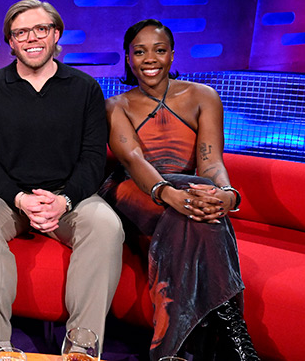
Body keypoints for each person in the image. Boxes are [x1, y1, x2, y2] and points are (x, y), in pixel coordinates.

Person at [0, 0, 124, 347]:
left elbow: (94, 158)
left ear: (56, 34)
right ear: (10, 42)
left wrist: (63, 200)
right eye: (21, 32)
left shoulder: (85, 89)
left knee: (107, 226)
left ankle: (82, 347)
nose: (31, 38)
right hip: (7, 196)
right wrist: (19, 198)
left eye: (40, 29)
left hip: (67, 196)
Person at [99, 19, 259, 360]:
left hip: (187, 196)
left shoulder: (204, 96)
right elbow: (134, 161)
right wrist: (170, 194)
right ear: (128, 58)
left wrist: (227, 196)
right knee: (192, 198)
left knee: (195, 212)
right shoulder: (116, 106)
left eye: (158, 50)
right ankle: (234, 338)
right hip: (133, 191)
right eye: (139, 52)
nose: (149, 59)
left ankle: (185, 346)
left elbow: (211, 161)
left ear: (172, 55)